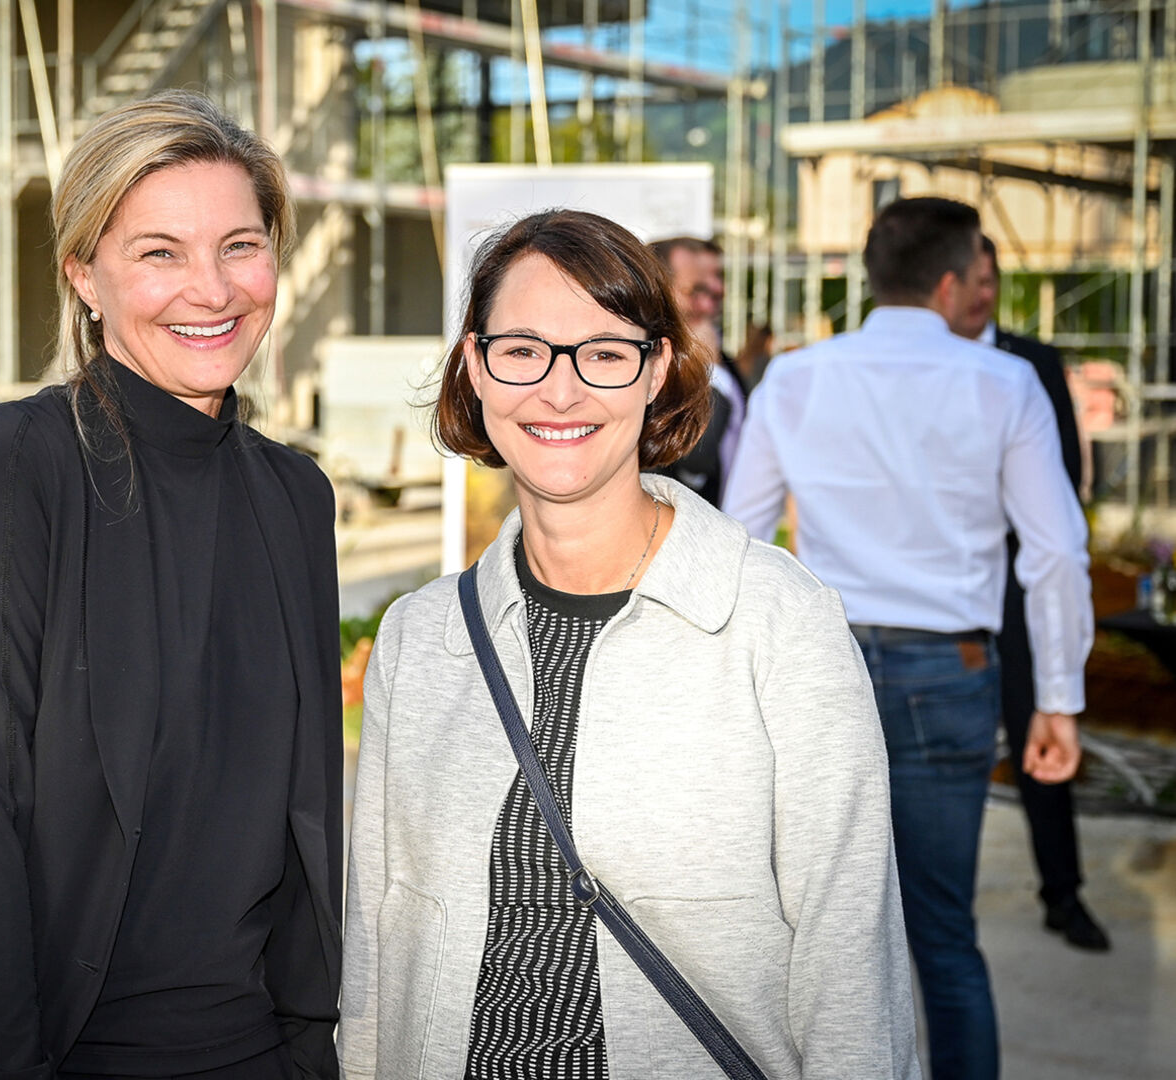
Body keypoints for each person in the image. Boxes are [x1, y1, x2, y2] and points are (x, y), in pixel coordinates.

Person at [0, 91, 343, 1080]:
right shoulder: (16, 461)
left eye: (240, 245)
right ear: (82, 276)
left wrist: (307, 1046)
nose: (212, 289)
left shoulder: (295, 494)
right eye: (158, 253)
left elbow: (307, 807)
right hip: (53, 1047)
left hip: (249, 1049)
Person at [339, 209, 919, 1079]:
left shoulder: (775, 621)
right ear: (475, 368)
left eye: (604, 353)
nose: (560, 390)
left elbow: (851, 968)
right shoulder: (421, 640)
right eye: (523, 349)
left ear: (654, 372)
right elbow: (378, 945)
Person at [723, 197, 1093, 1080]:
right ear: (950, 281)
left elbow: (739, 536)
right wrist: (1060, 703)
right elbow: (1056, 553)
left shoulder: (797, 378)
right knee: (941, 936)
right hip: (950, 672)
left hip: (821, 665)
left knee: (806, 926)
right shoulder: (1002, 383)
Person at [948, 235, 1109, 952]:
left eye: (993, 279)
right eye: (972, 279)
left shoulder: (1033, 361)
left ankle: (1063, 894)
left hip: (1019, 579)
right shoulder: (918, 366)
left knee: (1042, 727)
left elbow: (1066, 479)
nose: (984, 292)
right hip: (943, 581)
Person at [649, 236, 747, 506]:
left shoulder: (720, 353)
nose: (709, 304)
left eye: (717, 289)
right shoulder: (649, 369)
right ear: (661, 292)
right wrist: (707, 369)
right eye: (697, 291)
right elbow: (695, 461)